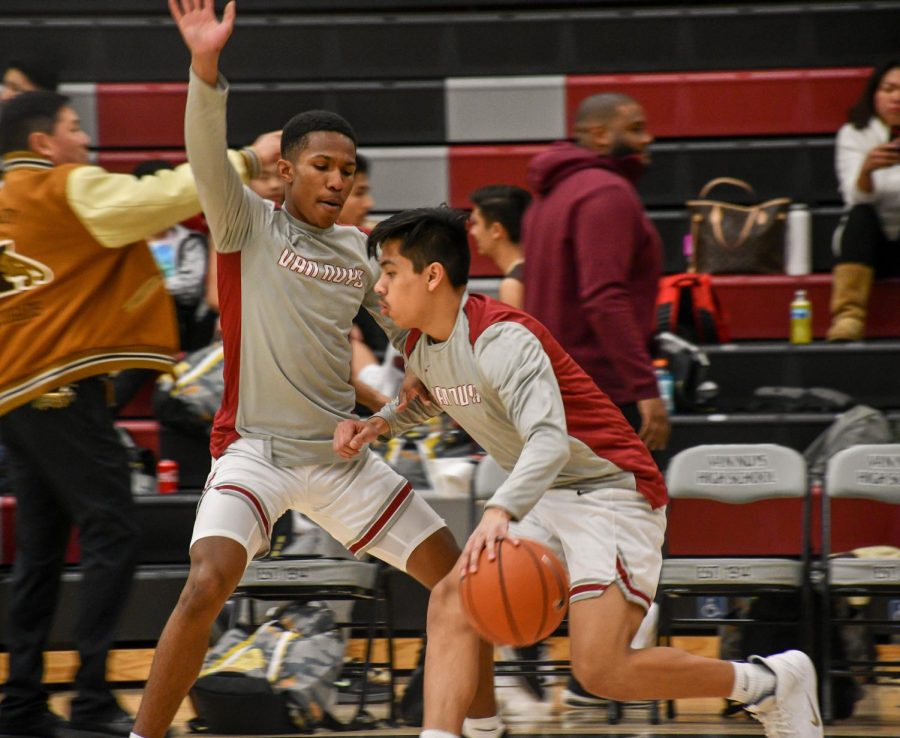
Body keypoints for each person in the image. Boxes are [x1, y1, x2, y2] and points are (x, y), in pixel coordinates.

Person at [130, 5, 499, 738]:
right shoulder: (244, 225)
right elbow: (205, 152)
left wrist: (424, 372)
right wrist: (205, 68)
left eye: (348, 170)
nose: (336, 180)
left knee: (465, 585)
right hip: (257, 453)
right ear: (286, 170)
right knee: (204, 583)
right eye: (322, 167)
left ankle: (481, 729)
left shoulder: (364, 251)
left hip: (340, 459)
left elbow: (413, 330)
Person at [335, 205, 825, 738]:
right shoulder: (421, 343)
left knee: (601, 669)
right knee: (453, 597)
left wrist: (500, 509)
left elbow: (547, 440)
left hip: (608, 492)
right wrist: (381, 423)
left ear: (432, 276)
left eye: (389, 272)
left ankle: (769, 682)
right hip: (547, 496)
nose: (379, 288)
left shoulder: (503, 340)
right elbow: (446, 396)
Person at [0, 87, 278, 738]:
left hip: (18, 397)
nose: (85, 144)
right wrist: (243, 161)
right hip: (60, 391)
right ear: (43, 144)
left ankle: (19, 703)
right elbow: (148, 201)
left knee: (39, 555)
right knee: (113, 532)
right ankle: (93, 698)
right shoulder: (61, 188)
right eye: (74, 130)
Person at [522, 92, 670, 453]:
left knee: (568, 508)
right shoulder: (607, 193)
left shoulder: (549, 197)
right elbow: (605, 299)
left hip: (553, 390)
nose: (646, 138)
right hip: (605, 393)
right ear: (600, 135)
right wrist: (644, 388)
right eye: (635, 129)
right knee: (633, 507)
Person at [827, 59, 900, 342]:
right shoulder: (855, 134)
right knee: (860, 213)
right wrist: (867, 169)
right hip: (870, 246)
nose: (896, 97)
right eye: (889, 88)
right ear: (874, 94)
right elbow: (854, 195)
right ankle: (848, 318)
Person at [468, 184, 531, 309]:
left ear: (496, 230)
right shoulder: (536, 272)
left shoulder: (513, 285)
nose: (472, 231)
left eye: (476, 223)